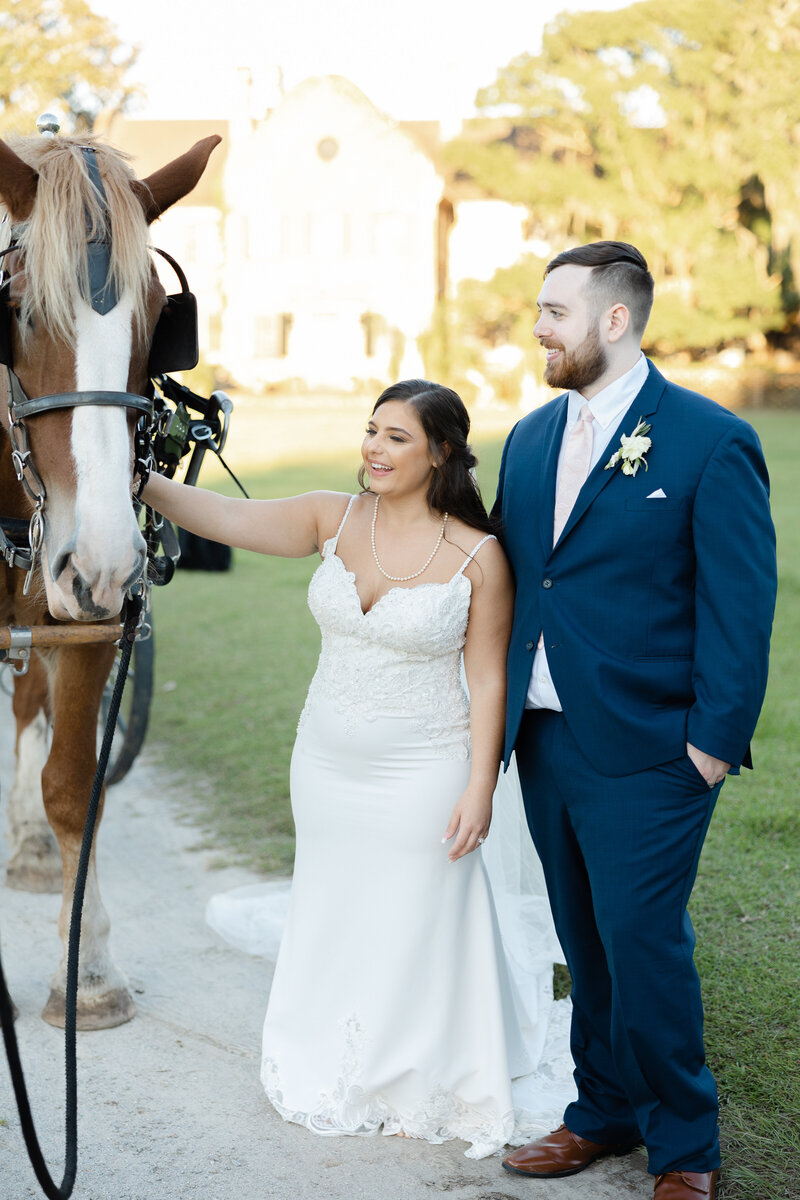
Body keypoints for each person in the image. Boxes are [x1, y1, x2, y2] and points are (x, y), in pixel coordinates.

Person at [141, 379, 575, 1158]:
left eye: (397, 437)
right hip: (326, 762)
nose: (374, 448)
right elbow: (229, 518)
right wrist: (135, 477)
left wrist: (481, 786)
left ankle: (417, 1070)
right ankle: (336, 1050)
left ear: (441, 452)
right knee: (337, 903)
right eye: (371, 431)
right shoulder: (332, 517)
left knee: (417, 914)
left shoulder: (480, 556)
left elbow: (487, 679)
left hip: (428, 766)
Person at [494, 243, 777, 1199]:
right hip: (543, 737)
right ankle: (601, 1110)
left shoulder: (709, 440)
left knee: (642, 940)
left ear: (614, 320)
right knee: (583, 935)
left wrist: (707, 746)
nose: (538, 327)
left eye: (555, 311)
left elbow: (742, 607)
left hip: (653, 749)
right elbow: (517, 573)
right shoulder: (530, 439)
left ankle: (686, 1144)